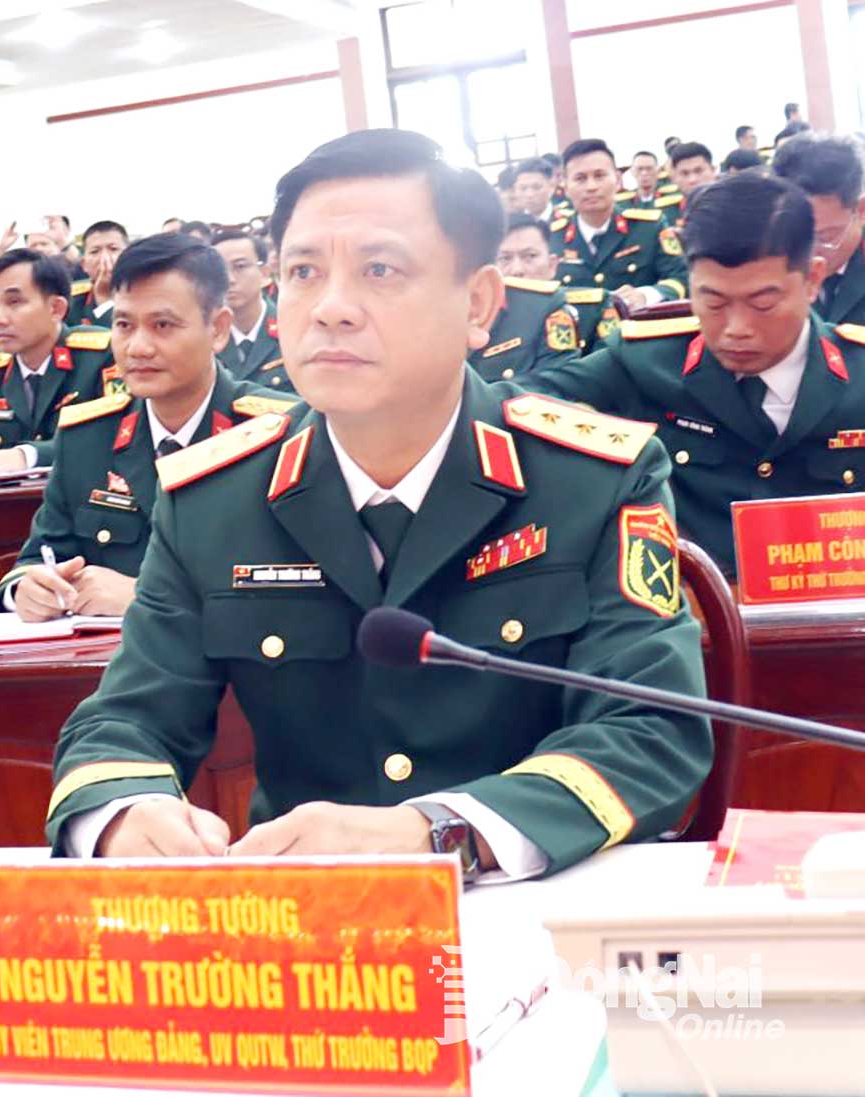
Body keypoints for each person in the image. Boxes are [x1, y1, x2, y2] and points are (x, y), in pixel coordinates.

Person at [47, 129, 709, 878]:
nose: (331, 308)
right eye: (303, 271)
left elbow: (650, 726)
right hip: (306, 913)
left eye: (381, 269)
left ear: (478, 303)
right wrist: (124, 811)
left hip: (539, 905)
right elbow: (125, 717)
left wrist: (441, 831)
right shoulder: (213, 498)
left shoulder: (591, 479)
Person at [513, 171, 865, 579]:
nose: (736, 329)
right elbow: (517, 403)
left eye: (763, 304)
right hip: (696, 606)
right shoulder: (646, 363)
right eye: (713, 303)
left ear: (812, 280)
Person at [0, 233, 293, 620]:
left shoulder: (278, 434)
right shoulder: (86, 438)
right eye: (124, 325)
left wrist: (152, 598)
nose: (137, 347)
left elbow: (299, 590)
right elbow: (39, 554)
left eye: (163, 325)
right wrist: (27, 590)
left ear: (217, 329)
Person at [0, 249, 113, 477]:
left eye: (14, 302)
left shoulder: (101, 357)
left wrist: (29, 455)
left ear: (56, 308)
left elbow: (111, 436)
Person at [551, 138, 688, 310]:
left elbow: (681, 277)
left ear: (617, 180)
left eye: (599, 176)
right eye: (580, 178)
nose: (591, 186)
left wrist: (646, 295)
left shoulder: (650, 228)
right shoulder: (551, 238)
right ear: (565, 186)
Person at [772, 133, 865, 327]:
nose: (813, 253)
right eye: (797, 237)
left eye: (826, 237)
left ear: (861, 210)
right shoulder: (762, 265)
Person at [476, 214, 581, 383]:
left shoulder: (556, 310)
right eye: (505, 258)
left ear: (552, 265)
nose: (517, 270)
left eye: (530, 256)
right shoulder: (475, 311)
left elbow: (555, 383)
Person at [213, 228, 284, 386]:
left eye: (240, 266)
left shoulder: (290, 329)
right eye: (219, 270)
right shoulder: (207, 338)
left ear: (264, 273)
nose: (229, 279)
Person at [67, 220, 127, 326]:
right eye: (95, 251)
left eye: (113, 249)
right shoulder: (71, 299)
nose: (104, 258)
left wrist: (104, 300)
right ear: (84, 264)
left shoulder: (145, 293)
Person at [664, 142, 718, 224]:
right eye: (685, 173)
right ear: (675, 178)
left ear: (713, 170)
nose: (692, 180)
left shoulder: (734, 205)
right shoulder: (666, 215)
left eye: (698, 171)